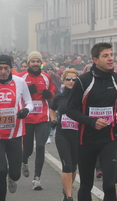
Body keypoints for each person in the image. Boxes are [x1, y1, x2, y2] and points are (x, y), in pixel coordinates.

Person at [66, 42, 117, 201]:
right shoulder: (83, 81)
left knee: (109, 185)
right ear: (95, 59)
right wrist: (91, 121)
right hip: (86, 139)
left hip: (109, 138)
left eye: (111, 55)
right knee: (86, 185)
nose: (110, 58)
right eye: (105, 56)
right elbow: (70, 110)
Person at [19, 51, 56, 190]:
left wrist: (50, 94)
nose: (35, 64)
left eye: (37, 61)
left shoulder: (46, 77)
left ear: (41, 63)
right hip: (27, 118)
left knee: (41, 146)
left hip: (42, 118)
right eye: (32, 61)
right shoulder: (21, 77)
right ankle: (24, 161)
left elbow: (53, 92)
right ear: (28, 63)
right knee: (27, 148)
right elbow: (14, 93)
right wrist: (26, 90)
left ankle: (37, 178)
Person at [0, 55, 33, 201]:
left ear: (11, 67)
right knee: (1, 170)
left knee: (15, 173)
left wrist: (26, 110)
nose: (3, 71)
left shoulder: (19, 82)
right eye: (0, 68)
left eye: (6, 68)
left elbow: (29, 102)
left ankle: (12, 179)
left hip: (15, 133)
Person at [49, 69, 80, 201]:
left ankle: (66, 187)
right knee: (67, 166)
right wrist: (53, 120)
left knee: (73, 167)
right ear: (64, 80)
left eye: (74, 79)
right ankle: (69, 196)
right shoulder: (59, 96)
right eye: (68, 79)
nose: (71, 82)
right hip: (62, 135)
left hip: (77, 135)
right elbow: (52, 108)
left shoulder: (81, 97)